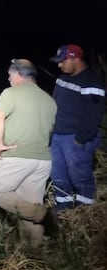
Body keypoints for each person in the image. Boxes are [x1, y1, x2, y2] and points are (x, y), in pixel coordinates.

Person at [0, 59, 57, 250]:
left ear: (18, 74)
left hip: (18, 155)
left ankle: (42, 213)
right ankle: (34, 254)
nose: (9, 79)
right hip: (42, 160)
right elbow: (50, 130)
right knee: (30, 206)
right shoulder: (48, 100)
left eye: (10, 75)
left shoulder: (11, 93)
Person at [49, 44, 106, 211]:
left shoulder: (92, 84)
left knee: (80, 176)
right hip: (57, 136)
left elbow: (94, 116)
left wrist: (81, 139)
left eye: (63, 61)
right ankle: (63, 207)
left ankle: (84, 210)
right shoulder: (62, 79)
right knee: (57, 174)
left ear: (76, 59)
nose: (60, 65)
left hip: (75, 138)